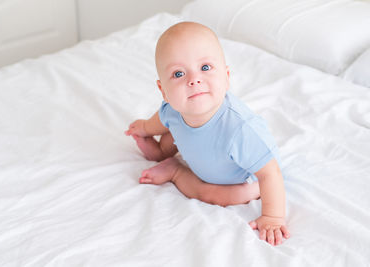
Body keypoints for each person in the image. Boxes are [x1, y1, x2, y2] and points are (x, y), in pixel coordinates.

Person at [124, 22, 290, 246]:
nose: (193, 80)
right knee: (171, 131)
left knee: (219, 196)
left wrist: (272, 217)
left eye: (205, 68)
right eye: (178, 73)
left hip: (241, 178)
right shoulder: (173, 110)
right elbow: (158, 122)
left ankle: (176, 172)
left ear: (227, 76)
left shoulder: (240, 129)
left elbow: (270, 173)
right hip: (200, 150)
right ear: (163, 90)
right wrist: (143, 128)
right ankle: (162, 154)